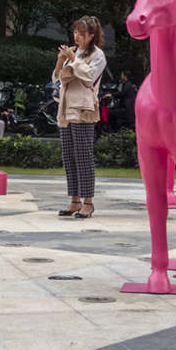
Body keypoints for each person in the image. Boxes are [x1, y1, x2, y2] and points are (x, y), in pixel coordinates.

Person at [53, 15, 107, 219]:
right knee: (68, 155)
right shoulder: (72, 53)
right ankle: (74, 200)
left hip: (83, 108)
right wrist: (61, 61)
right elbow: (57, 78)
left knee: (83, 156)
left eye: (81, 34)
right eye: (75, 32)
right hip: (66, 106)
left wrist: (74, 61)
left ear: (91, 36)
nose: (76, 37)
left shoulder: (98, 55)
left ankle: (88, 202)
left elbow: (89, 78)